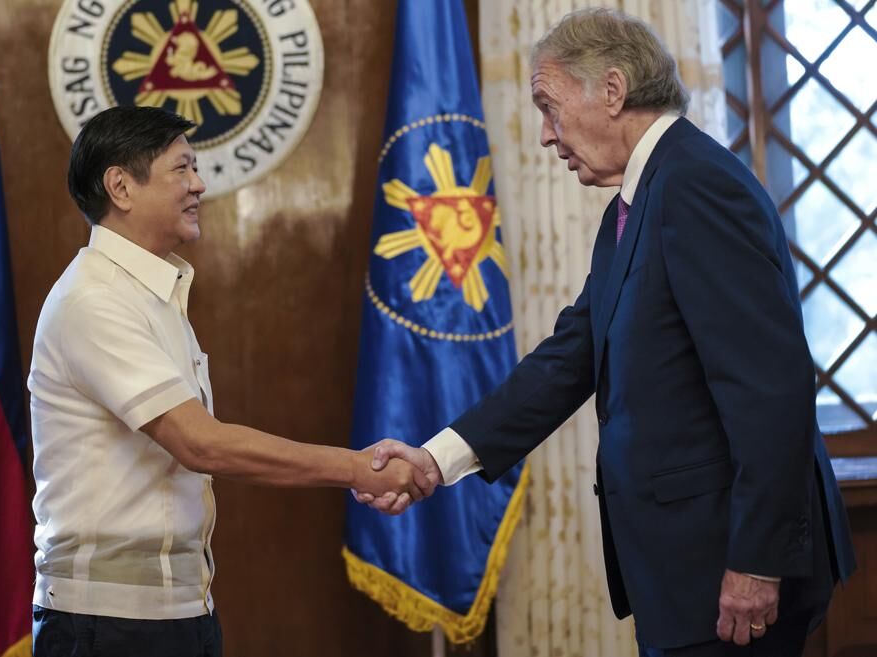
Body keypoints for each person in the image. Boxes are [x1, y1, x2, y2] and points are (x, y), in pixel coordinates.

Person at [358, 8, 856, 657]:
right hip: (686, 575)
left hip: (728, 572)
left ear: (613, 91)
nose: (544, 135)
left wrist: (757, 561)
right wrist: (438, 456)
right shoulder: (643, 197)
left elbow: (770, 388)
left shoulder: (695, 187)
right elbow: (568, 361)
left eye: (549, 106)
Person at [28, 106, 431, 657]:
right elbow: (200, 443)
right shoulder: (95, 300)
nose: (199, 185)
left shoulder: (151, 291)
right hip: (109, 623)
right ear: (120, 186)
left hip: (177, 608)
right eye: (182, 169)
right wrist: (359, 468)